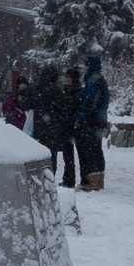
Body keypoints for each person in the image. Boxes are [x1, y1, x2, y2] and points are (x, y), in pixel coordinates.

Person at [31, 65, 76, 188]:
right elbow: (63, 108)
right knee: (51, 154)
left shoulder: (37, 88)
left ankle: (39, 178)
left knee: (39, 154)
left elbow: (30, 103)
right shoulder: (56, 90)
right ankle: (50, 178)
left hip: (39, 127)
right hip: (52, 128)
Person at [74, 56, 109, 192]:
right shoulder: (100, 79)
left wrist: (81, 116)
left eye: (86, 65)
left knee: (90, 150)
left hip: (91, 121)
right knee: (97, 150)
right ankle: (98, 180)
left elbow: (89, 102)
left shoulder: (93, 80)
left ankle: (92, 182)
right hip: (99, 120)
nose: (84, 67)